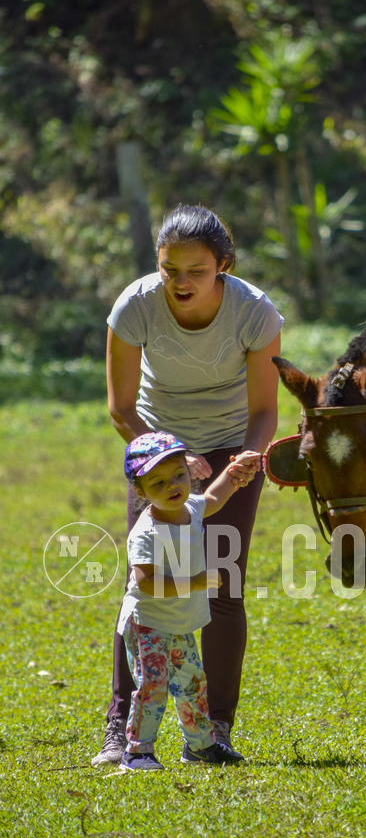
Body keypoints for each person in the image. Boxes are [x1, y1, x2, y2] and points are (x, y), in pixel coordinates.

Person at [92, 204, 283, 766]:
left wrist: (248, 458)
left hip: (231, 445)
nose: (180, 282)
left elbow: (266, 409)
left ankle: (214, 728)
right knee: (144, 588)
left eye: (195, 271)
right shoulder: (135, 306)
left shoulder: (254, 314)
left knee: (222, 583)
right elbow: (121, 408)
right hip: (156, 449)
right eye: (170, 268)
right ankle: (119, 729)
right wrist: (169, 460)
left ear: (222, 266)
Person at [118, 430, 260, 771]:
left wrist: (233, 473)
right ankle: (137, 752)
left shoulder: (191, 509)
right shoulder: (146, 532)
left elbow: (213, 498)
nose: (173, 486)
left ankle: (200, 747)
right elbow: (145, 582)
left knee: (192, 683)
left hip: (180, 621)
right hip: (147, 624)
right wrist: (195, 581)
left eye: (179, 475)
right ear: (139, 491)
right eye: (159, 483)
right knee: (153, 685)